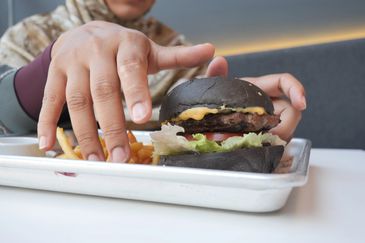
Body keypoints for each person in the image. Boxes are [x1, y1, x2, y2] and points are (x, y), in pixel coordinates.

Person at [0, 0, 306, 162]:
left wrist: (237, 116)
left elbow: (191, 130)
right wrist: (50, 62)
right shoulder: (31, 33)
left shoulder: (176, 47)